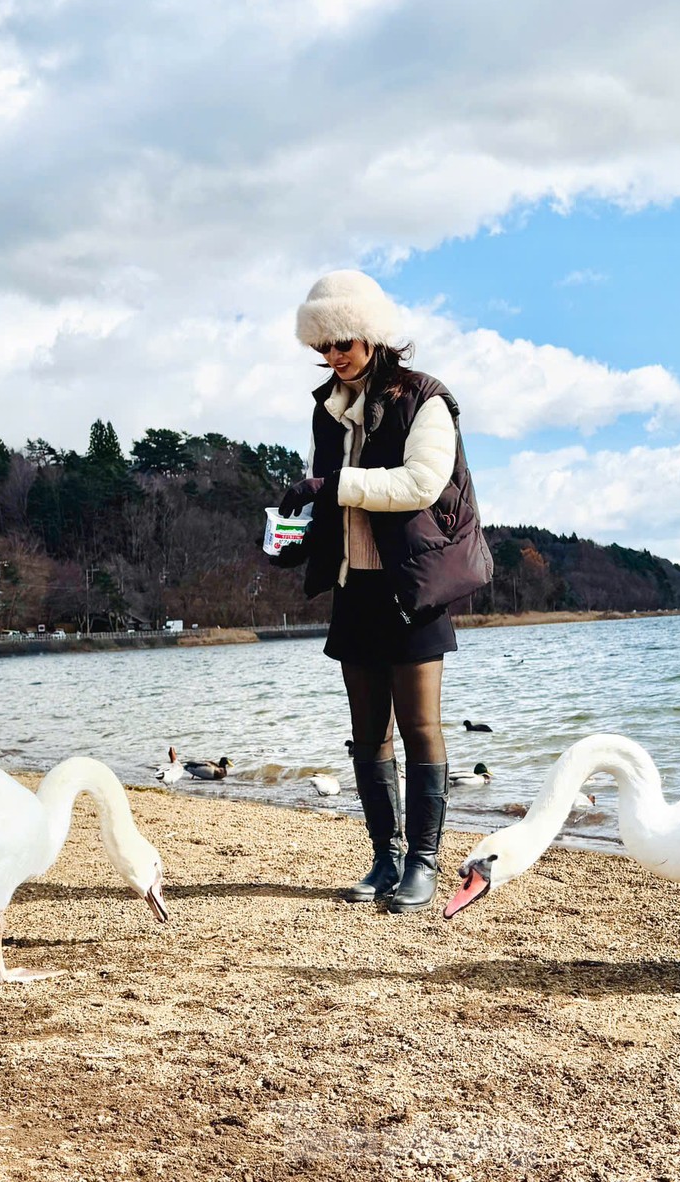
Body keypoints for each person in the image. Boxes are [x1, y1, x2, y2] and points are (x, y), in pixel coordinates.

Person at [275, 271, 493, 912]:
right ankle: (385, 857)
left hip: (413, 588)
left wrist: (330, 486)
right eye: (323, 346)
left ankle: (423, 862)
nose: (333, 356)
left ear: (372, 335)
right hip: (355, 588)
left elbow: (420, 483)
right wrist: (294, 532)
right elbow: (334, 496)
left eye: (343, 342)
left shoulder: (426, 397)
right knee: (367, 732)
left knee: (421, 727)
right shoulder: (326, 408)